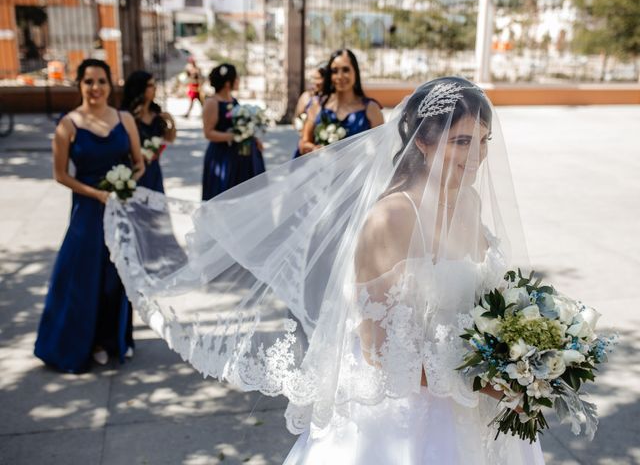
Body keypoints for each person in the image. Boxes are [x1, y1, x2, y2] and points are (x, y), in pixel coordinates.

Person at [105, 77, 546, 463]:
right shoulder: (390, 218)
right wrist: (478, 379)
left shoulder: (468, 201)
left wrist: (526, 353)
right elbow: (377, 352)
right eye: (462, 141)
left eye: (483, 140)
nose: (477, 156)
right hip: (407, 415)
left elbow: (487, 299)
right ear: (424, 143)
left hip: (480, 403)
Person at [35, 59, 144, 373]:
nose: (95, 88)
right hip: (86, 210)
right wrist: (96, 193)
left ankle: (115, 338)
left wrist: (126, 184)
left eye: (101, 81)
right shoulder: (68, 124)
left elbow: (139, 163)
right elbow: (60, 175)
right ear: (80, 85)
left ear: (110, 85)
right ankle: (89, 341)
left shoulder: (125, 119)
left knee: (115, 277)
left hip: (119, 209)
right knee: (83, 276)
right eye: (88, 82)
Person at [298, 49, 384, 156]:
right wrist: (315, 149)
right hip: (323, 170)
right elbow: (303, 144)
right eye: (334, 71)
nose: (340, 76)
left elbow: (383, 151)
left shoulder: (371, 108)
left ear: (355, 72)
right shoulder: (317, 104)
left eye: (346, 70)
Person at [201, 63, 265, 200]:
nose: (238, 81)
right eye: (236, 78)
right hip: (221, 156)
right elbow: (208, 133)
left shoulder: (233, 100)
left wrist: (254, 138)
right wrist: (236, 136)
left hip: (238, 157)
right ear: (227, 83)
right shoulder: (212, 102)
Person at [121, 70, 176, 193]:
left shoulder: (156, 113)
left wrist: (171, 123)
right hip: (134, 170)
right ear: (140, 88)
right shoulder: (127, 115)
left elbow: (169, 139)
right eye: (150, 85)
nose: (155, 88)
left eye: (155, 85)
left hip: (154, 169)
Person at [292, 65, 325, 157]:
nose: (314, 82)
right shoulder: (306, 97)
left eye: (318, 78)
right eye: (313, 78)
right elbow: (296, 119)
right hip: (307, 146)